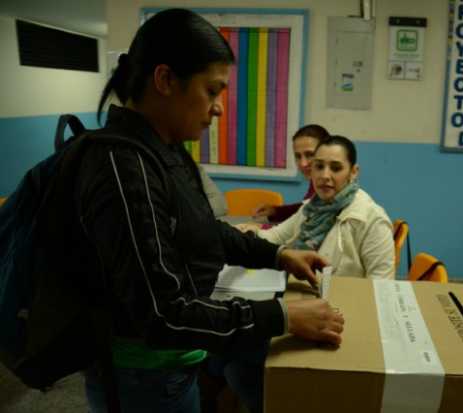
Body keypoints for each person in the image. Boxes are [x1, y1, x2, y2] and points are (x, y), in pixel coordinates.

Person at [77, 9, 343, 413]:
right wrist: (282, 316)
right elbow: (163, 315)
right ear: (165, 80)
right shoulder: (123, 167)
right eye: (212, 90)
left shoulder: (164, 149)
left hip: (176, 364)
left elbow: (205, 230)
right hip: (143, 378)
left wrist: (276, 255)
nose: (219, 108)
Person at [256, 136, 395, 279]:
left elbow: (380, 288)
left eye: (335, 168)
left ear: (353, 172)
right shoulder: (312, 207)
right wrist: (242, 236)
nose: (324, 175)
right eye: (319, 166)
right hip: (300, 291)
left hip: (339, 299)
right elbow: (277, 236)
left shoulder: (373, 220)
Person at [253, 124, 329, 222]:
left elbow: (305, 223)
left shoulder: (329, 186)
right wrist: (276, 211)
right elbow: (305, 210)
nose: (303, 163)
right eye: (298, 156)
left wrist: (262, 229)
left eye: (310, 155)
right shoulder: (315, 179)